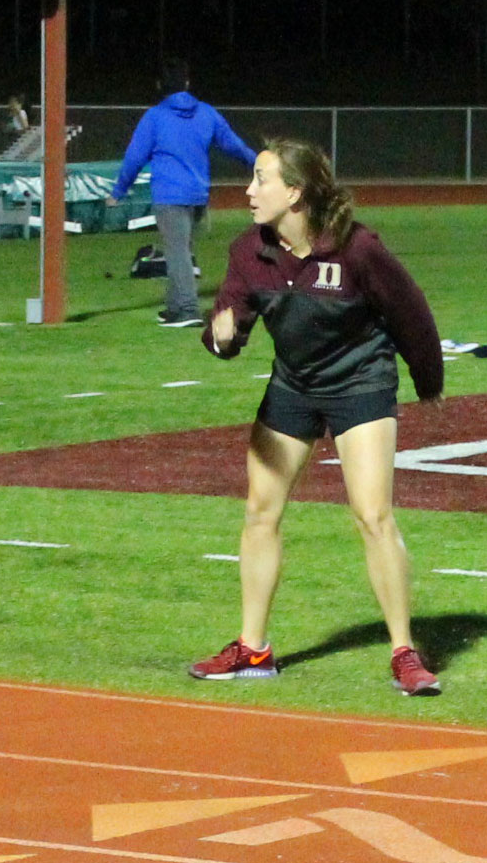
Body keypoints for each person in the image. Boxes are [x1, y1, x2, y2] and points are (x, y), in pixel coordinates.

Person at [189, 137, 445, 696]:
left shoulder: (357, 249)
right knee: (260, 510)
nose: (249, 190)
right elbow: (225, 329)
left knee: (372, 514)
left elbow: (412, 313)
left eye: (262, 179)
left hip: (361, 382)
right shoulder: (247, 251)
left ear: (296, 193)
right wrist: (220, 338)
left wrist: (429, 381)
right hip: (294, 386)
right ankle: (252, 650)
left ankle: (404, 650)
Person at [107, 57, 256, 328]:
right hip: (198, 195)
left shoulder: (155, 116)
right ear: (187, 83)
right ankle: (175, 308)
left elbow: (134, 157)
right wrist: (259, 162)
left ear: (159, 85)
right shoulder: (207, 113)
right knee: (181, 251)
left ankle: (188, 310)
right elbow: (233, 145)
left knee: (177, 254)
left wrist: (119, 190)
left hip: (169, 196)